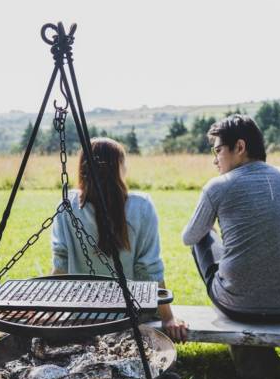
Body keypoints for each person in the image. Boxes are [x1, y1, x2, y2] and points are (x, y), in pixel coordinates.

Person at [51, 137, 188, 341]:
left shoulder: (67, 205)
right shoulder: (141, 206)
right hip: (127, 316)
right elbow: (149, 268)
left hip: (79, 315)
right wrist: (168, 317)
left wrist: (48, 307)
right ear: (120, 168)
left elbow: (60, 265)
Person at [181, 114, 280, 323]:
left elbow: (189, 237)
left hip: (236, 307)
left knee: (201, 237)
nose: (215, 159)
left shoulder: (218, 186)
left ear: (240, 147)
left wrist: (211, 229)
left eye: (218, 150)